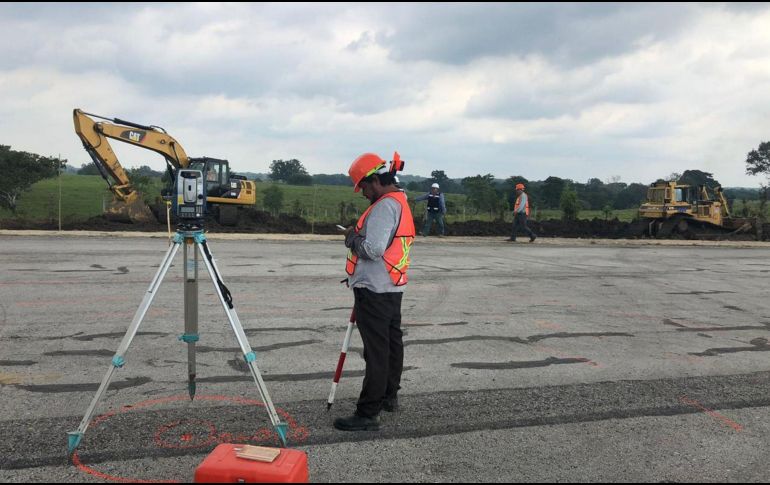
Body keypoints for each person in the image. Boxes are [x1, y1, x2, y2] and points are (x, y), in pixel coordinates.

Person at [336, 152, 415, 432]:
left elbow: (373, 250)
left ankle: (368, 412)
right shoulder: (401, 201)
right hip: (391, 285)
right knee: (392, 346)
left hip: (376, 291)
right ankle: (388, 396)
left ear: (375, 181)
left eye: (364, 187)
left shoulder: (384, 206)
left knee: (377, 352)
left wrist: (351, 238)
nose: (364, 193)